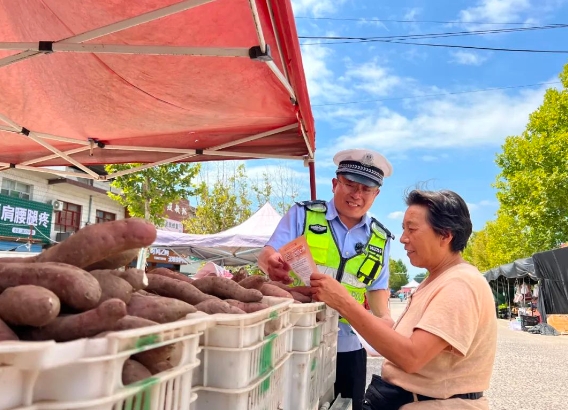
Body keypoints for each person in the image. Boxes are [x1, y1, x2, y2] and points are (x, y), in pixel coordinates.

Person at [311, 189, 498, 410]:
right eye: (403, 228)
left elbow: (411, 356)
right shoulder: (437, 279)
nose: (403, 238)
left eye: (412, 229)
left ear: (446, 235)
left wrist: (344, 302)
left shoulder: (460, 284)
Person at [258, 149, 395, 410]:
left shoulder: (380, 238)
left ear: (376, 194)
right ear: (335, 184)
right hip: (297, 339)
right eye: (350, 184)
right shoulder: (303, 214)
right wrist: (271, 263)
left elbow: (377, 292)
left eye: (366, 189)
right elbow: (267, 253)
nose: (357, 195)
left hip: (350, 347)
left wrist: (385, 319)